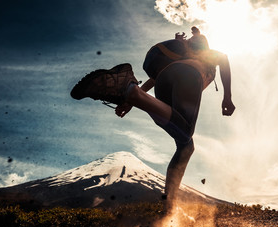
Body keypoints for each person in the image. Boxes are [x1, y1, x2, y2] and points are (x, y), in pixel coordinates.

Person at [71, 27, 235, 212]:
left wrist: (130, 101)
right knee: (186, 131)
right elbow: (224, 59)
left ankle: (169, 206)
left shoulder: (183, 55)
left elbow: (154, 78)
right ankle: (132, 92)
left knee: (185, 145)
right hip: (188, 76)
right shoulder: (206, 56)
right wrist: (227, 97)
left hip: (164, 80)